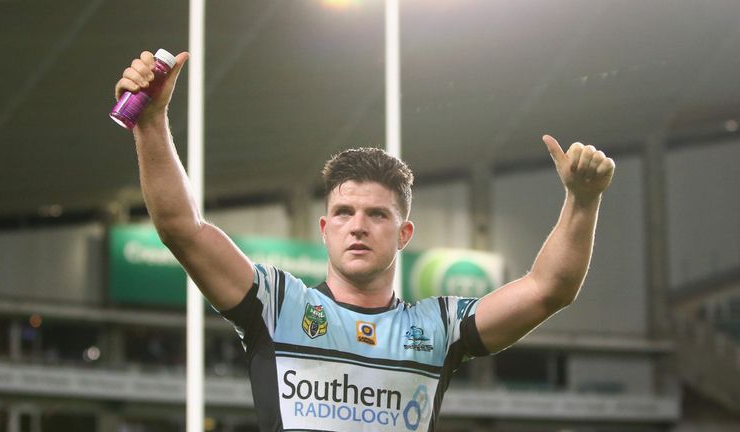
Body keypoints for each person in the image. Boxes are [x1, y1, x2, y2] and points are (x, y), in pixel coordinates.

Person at [114, 50, 615, 432]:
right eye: (344, 213)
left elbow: (550, 289)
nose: (358, 225)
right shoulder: (278, 305)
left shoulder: (438, 328)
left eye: (377, 214)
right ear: (325, 229)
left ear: (404, 235)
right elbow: (183, 228)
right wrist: (152, 123)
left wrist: (583, 201)